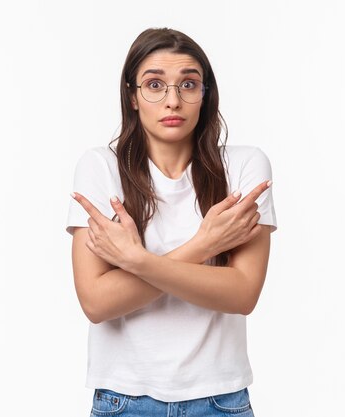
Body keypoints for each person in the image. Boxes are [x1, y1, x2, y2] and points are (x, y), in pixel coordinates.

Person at [66, 27, 277, 416]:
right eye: (154, 85)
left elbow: (242, 294)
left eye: (188, 84)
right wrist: (205, 245)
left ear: (205, 94)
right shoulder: (100, 168)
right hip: (123, 400)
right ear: (132, 95)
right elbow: (96, 302)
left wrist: (136, 261)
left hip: (220, 400)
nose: (173, 101)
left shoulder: (245, 166)